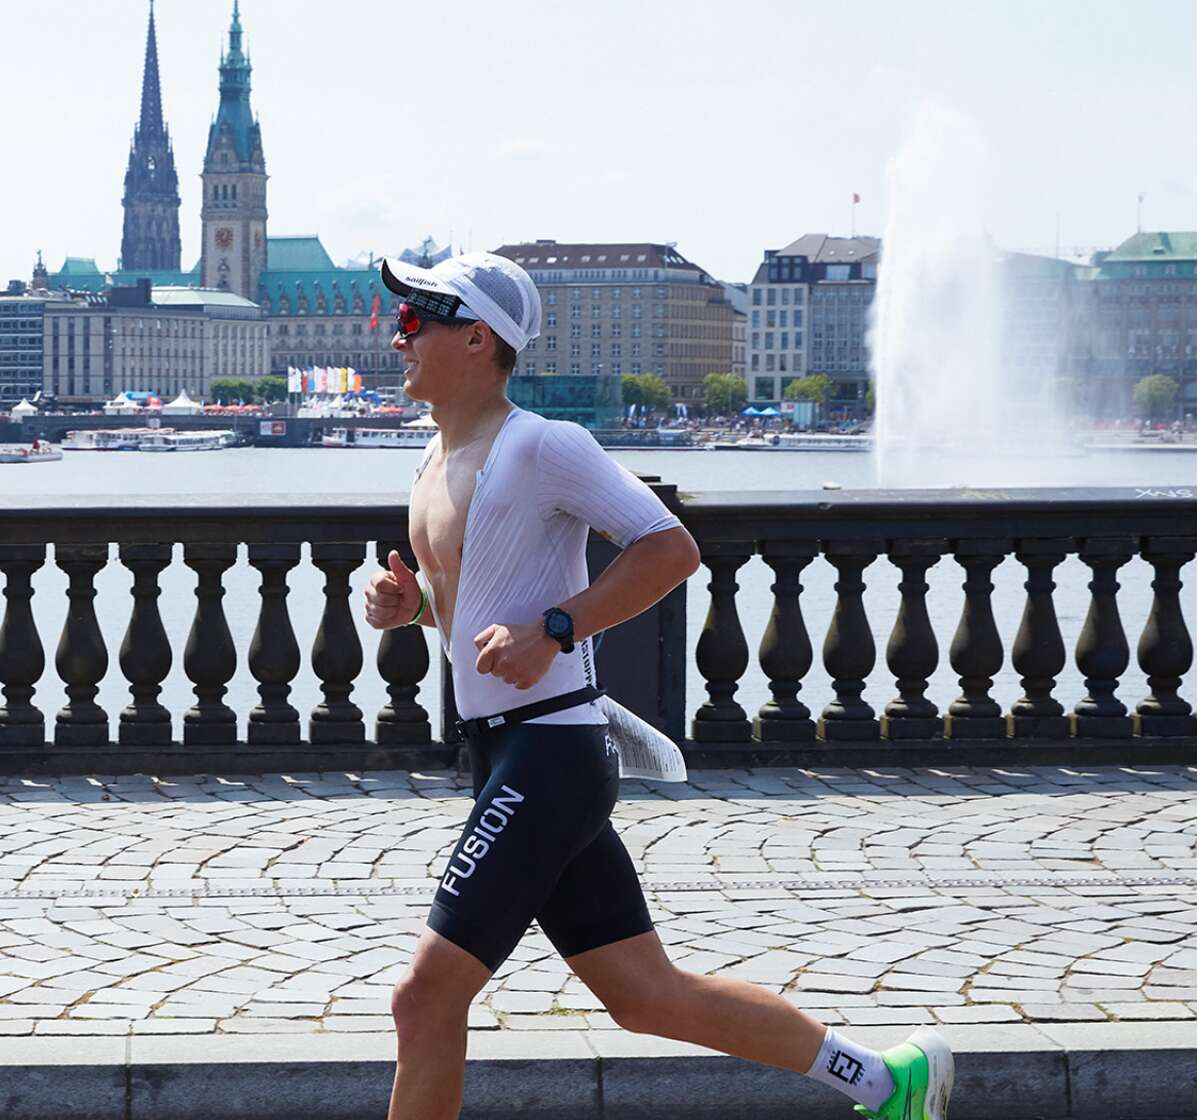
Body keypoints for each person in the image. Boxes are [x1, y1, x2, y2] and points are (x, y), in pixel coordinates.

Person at [364, 252, 951, 1120]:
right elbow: (473, 617)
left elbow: (671, 549)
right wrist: (414, 608)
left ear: (478, 337)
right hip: (503, 752)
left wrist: (559, 626)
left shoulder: (545, 446)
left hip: (551, 752)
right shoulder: (433, 460)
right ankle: (886, 1082)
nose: (396, 337)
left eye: (415, 321)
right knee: (645, 995)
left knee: (425, 997)